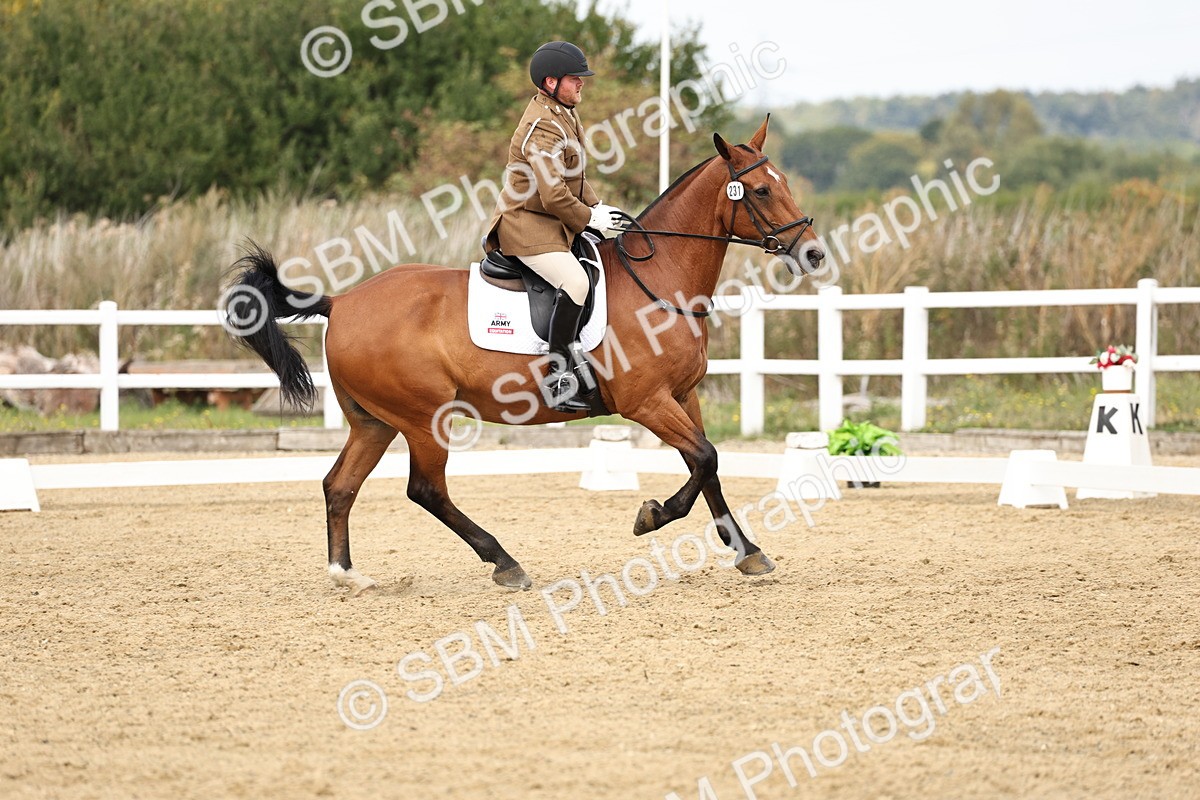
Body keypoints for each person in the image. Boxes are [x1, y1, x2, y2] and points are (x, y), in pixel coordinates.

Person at [483, 41, 627, 413]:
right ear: (550, 82)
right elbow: (553, 195)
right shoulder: (542, 127)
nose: (582, 83)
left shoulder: (564, 113)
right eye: (574, 78)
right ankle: (558, 375)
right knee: (576, 282)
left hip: (553, 224)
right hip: (527, 226)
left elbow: (574, 181)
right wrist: (587, 218)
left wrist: (598, 208)